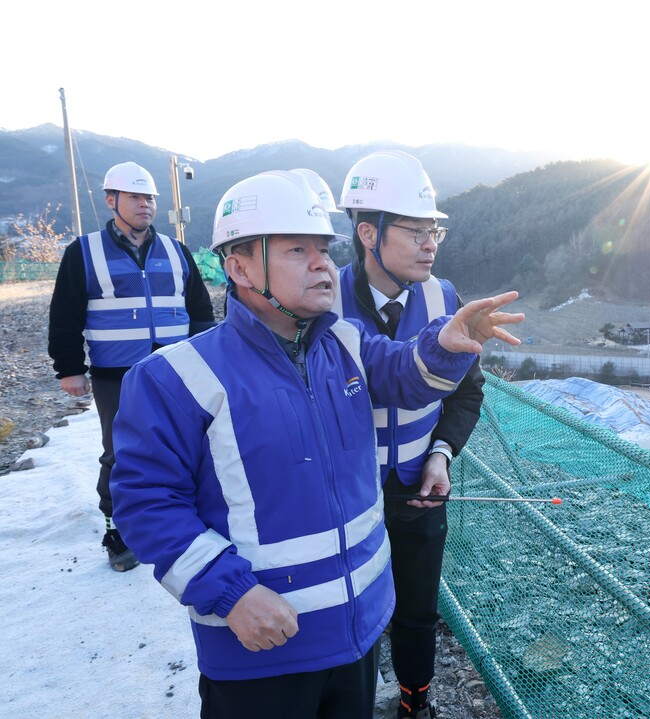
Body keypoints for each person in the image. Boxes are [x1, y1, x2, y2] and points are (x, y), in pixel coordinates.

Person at [108, 170, 523, 719]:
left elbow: (405, 373)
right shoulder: (175, 378)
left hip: (356, 635)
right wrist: (229, 593)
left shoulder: (345, 343)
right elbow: (145, 503)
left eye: (324, 249)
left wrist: (445, 345)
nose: (322, 264)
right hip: (261, 648)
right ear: (239, 268)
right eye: (296, 250)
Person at [336, 150, 482, 719]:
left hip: (421, 487)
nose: (430, 244)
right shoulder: (322, 304)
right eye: (416, 231)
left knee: (417, 610)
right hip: (346, 496)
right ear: (368, 234)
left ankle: (414, 702)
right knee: (350, 611)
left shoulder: (445, 298)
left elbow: (467, 392)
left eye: (434, 231)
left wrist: (441, 454)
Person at [47, 161, 215, 572]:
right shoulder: (84, 252)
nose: (145, 205)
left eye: (149, 198)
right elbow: (65, 314)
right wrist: (69, 368)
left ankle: (188, 518)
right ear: (111, 200)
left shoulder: (176, 250)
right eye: (135, 197)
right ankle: (118, 532)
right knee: (121, 452)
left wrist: (211, 359)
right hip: (116, 374)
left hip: (176, 370)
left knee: (191, 444)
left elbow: (199, 310)